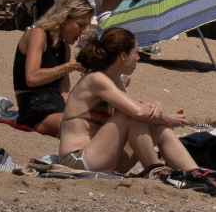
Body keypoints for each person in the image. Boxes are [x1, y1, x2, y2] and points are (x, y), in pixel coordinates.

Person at [54, 27, 199, 174]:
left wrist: (157, 111)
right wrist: (165, 116)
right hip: (77, 160)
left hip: (102, 156)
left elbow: (140, 111)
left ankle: (195, 173)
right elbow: (136, 112)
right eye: (136, 52)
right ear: (123, 56)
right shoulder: (96, 79)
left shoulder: (115, 81)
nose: (138, 57)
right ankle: (156, 170)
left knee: (158, 127)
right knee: (131, 116)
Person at [9, 0, 92, 135]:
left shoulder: (64, 47)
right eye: (80, 25)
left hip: (56, 105)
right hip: (35, 109)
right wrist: (68, 67)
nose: (83, 31)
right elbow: (32, 78)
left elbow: (64, 92)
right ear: (64, 18)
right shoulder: (38, 34)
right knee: (82, 129)